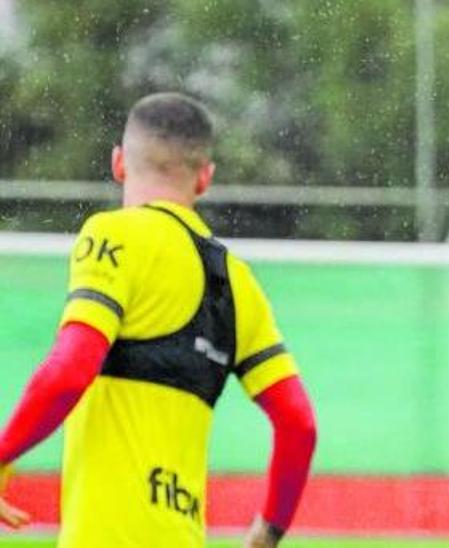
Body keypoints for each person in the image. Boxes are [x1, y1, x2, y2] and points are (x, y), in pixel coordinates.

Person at [0, 92, 317, 547]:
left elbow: (69, 372)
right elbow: (299, 425)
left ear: (119, 164)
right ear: (205, 178)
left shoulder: (113, 235)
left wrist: (3, 454)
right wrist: (268, 531)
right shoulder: (237, 282)